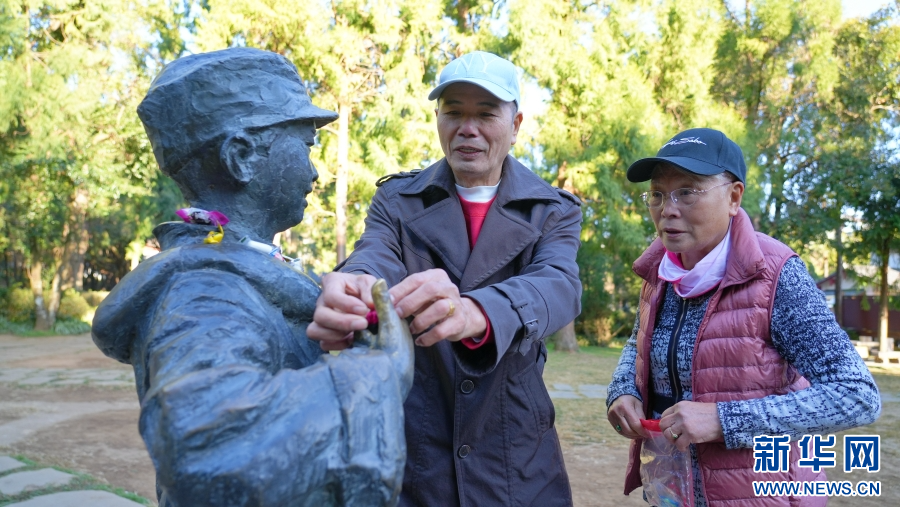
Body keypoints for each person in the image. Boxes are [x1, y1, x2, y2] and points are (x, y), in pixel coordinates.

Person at [92, 47, 414, 507]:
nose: (315, 172)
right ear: (241, 157)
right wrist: (382, 371)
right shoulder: (207, 291)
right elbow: (207, 449)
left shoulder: (232, 271)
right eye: (306, 146)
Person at [308, 51, 583, 506]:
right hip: (416, 447)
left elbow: (558, 284)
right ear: (437, 119)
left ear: (516, 125)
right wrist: (355, 283)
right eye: (453, 112)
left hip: (516, 449)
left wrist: (479, 312)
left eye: (486, 114)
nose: (467, 128)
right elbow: (375, 253)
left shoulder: (553, 209)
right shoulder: (397, 200)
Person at [606, 128, 882, 506]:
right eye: (657, 194)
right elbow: (639, 341)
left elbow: (856, 395)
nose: (667, 208)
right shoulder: (660, 273)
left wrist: (724, 420)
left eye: (687, 191)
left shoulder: (776, 275)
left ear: (734, 197)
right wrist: (623, 389)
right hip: (672, 491)